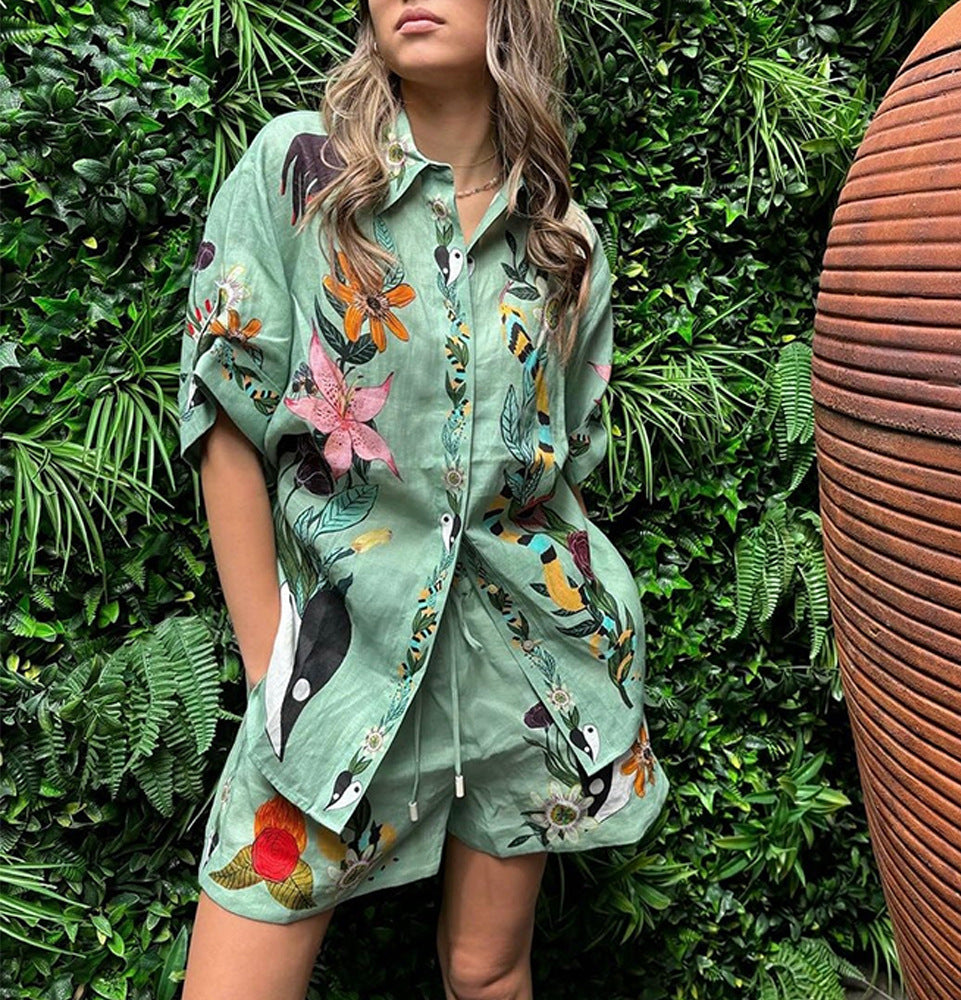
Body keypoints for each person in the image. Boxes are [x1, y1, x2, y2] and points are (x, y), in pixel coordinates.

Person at [177, 1, 670, 998]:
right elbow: (220, 409)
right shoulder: (300, 172)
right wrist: (271, 659)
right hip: (339, 675)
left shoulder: (562, 239)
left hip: (532, 676)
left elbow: (565, 462)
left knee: (488, 971)